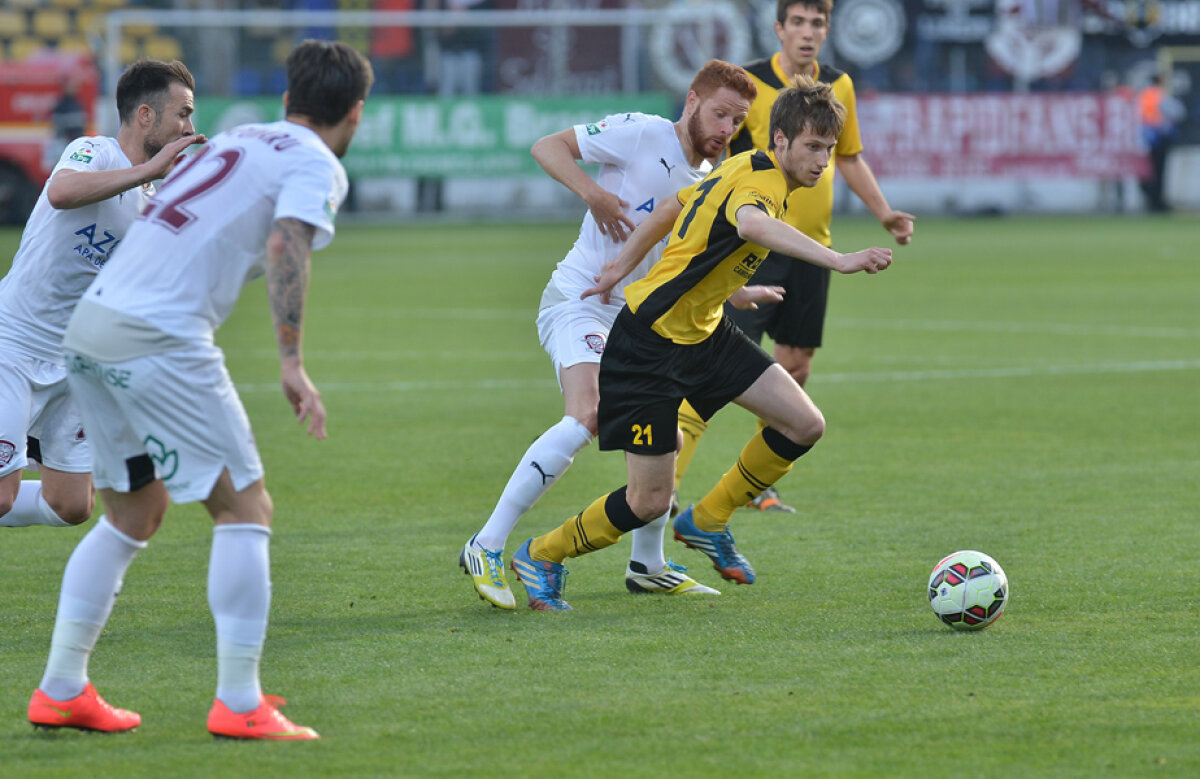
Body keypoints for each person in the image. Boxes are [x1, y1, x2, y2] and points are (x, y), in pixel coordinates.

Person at [27, 40, 373, 740]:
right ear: (355, 115)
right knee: (246, 505)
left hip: (92, 327)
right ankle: (240, 701)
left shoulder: (242, 139)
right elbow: (286, 246)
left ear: (285, 102)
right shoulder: (315, 161)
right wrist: (290, 360)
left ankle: (62, 687)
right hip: (160, 335)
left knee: (136, 512)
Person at [508, 78, 893, 610]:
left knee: (804, 424)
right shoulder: (761, 185)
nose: (823, 161)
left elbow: (672, 208)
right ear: (779, 140)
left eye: (828, 149)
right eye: (812, 147)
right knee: (647, 501)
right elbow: (752, 223)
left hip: (706, 332)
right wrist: (838, 259)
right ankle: (542, 553)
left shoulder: (737, 165)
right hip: (651, 344)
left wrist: (626, 264)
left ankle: (708, 519)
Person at [460, 60, 763, 609]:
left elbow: (686, 257)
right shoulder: (644, 132)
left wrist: (739, 294)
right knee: (589, 413)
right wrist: (593, 195)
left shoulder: (710, 182)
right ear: (692, 101)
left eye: (738, 120)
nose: (726, 129)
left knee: (666, 434)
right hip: (583, 301)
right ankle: (486, 544)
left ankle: (648, 565)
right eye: (720, 113)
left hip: (641, 323)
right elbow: (547, 147)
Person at [673, 0, 914, 513]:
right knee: (717, 370)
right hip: (754, 245)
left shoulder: (837, 87)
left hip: (814, 245)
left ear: (827, 31)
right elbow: (720, 153)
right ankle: (666, 484)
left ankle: (757, 484)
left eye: (817, 24)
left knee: (796, 365)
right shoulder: (753, 85)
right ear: (780, 29)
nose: (807, 33)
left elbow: (848, 157)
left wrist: (885, 213)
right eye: (798, 22)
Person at [1, 60, 202, 530]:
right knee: (3, 497)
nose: (189, 128)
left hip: (75, 361)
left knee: (72, 506)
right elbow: (62, 192)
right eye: (183, 113)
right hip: (14, 343)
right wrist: (148, 170)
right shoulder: (95, 150)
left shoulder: (152, 202)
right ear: (146, 115)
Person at [1138, 72, 1185, 213]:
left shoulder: (1143, 95)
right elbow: (1178, 112)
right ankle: (1157, 202)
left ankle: (1150, 200)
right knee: (1159, 172)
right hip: (1159, 139)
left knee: (1148, 172)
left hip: (1145, 139)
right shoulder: (1160, 95)